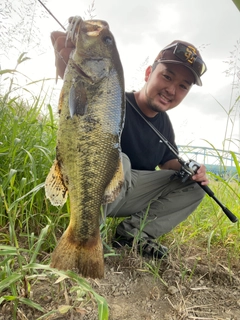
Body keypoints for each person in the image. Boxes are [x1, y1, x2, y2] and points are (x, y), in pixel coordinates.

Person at [51, 31, 209, 259]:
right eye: (167, 76)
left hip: (131, 193)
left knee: (198, 187)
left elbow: (168, 163)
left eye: (183, 86)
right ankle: (88, 233)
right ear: (149, 73)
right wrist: (66, 54)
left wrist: (194, 171)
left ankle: (132, 236)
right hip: (97, 187)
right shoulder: (111, 98)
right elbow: (75, 95)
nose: (172, 90)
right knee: (119, 159)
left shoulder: (164, 124)